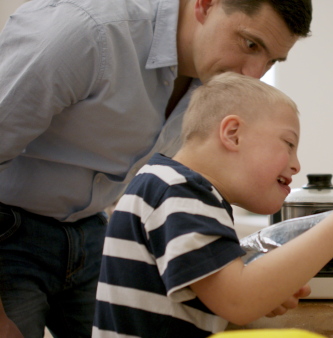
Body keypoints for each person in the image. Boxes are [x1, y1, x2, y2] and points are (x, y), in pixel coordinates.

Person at [0, 0, 312, 336]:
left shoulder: (212, 88)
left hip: (92, 230)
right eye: (250, 44)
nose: (254, 73)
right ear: (206, 5)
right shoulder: (85, 32)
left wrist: (242, 283)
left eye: (270, 61)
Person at [93, 72, 333, 337]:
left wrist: (264, 291)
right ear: (233, 134)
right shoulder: (181, 192)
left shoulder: (168, 183)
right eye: (288, 144)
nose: (296, 164)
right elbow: (237, 301)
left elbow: (215, 296)